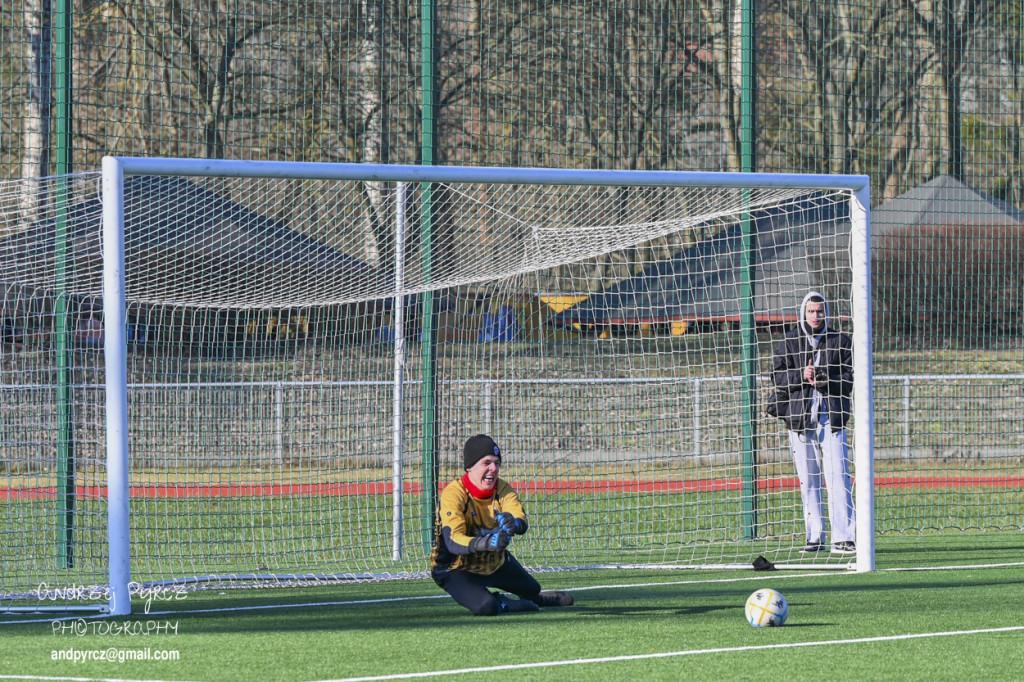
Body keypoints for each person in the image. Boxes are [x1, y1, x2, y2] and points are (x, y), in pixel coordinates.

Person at [430, 434, 574, 615]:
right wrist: (486, 543)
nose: (493, 468)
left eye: (497, 463)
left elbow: (520, 520)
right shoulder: (454, 494)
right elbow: (453, 542)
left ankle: (537, 598)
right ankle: (503, 602)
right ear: (470, 467)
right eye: (487, 462)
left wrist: (513, 523)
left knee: (532, 588)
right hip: (455, 569)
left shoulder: (503, 489)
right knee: (486, 607)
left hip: (494, 563)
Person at [770, 291, 856, 555]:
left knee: (838, 477)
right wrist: (802, 374)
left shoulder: (841, 341)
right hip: (800, 421)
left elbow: (851, 379)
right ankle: (814, 537)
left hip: (832, 420)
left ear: (826, 312)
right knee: (808, 480)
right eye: (811, 311)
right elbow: (778, 378)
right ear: (803, 312)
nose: (815, 316)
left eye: (820, 311)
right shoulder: (789, 341)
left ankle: (844, 538)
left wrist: (825, 379)